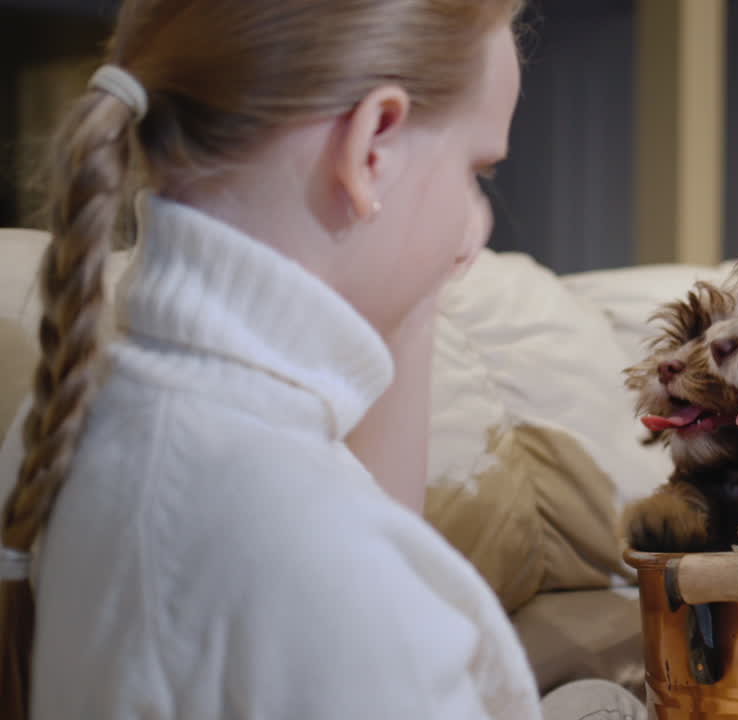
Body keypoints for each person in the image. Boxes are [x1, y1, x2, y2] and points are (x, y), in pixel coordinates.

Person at [0, 1, 648, 718]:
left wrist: (413, 277)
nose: (478, 224)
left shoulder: (82, 413)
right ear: (373, 144)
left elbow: (371, 521)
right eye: (477, 171)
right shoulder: (314, 558)